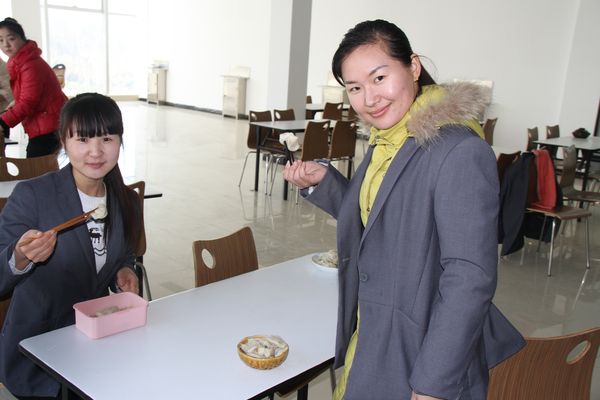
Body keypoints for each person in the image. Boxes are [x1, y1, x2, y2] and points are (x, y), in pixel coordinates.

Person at [284, 20, 525, 400]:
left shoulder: (458, 150)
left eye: (379, 78)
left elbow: (469, 278)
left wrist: (433, 383)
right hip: (376, 329)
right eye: (355, 88)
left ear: (413, 67)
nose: (369, 98)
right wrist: (325, 182)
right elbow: (384, 220)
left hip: (419, 347)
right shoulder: (388, 138)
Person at [0, 93, 142, 399]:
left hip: (97, 343)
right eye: (82, 139)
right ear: (64, 140)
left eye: (107, 138)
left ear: (120, 141)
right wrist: (20, 257)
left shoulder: (126, 200)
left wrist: (124, 268)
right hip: (39, 352)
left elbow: (123, 252)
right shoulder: (32, 196)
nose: (96, 152)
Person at [0, 18, 67, 156]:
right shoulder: (19, 62)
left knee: (35, 166)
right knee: (40, 166)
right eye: (0, 41)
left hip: (49, 126)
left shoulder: (30, 65)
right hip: (44, 123)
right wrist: (15, 103)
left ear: (22, 38)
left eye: (11, 39)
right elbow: (28, 95)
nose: (6, 45)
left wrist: (3, 122)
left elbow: (28, 102)